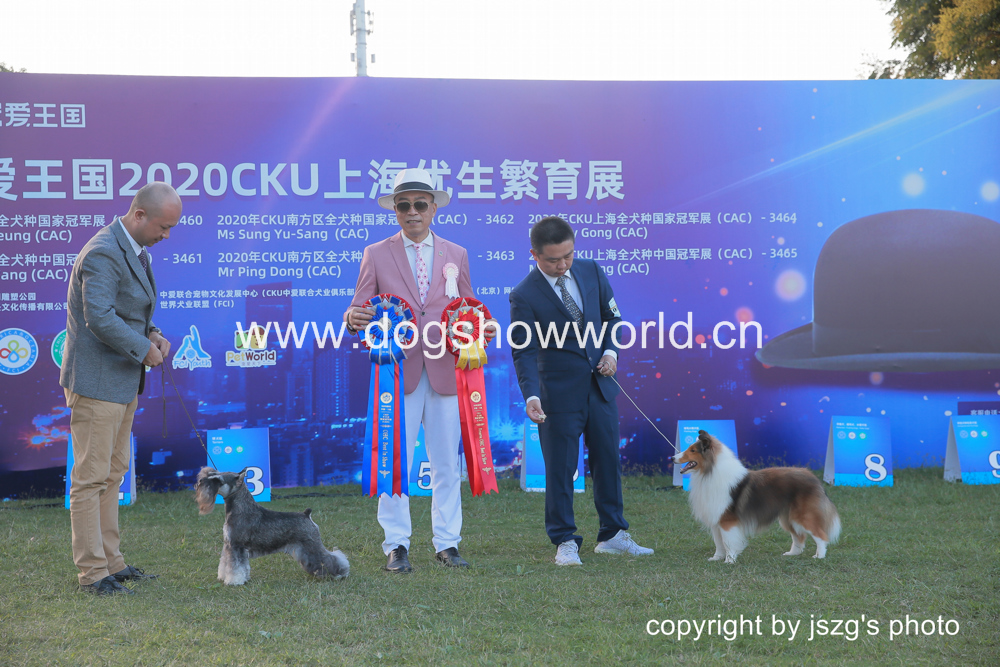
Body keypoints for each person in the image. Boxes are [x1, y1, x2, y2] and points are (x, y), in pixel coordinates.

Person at [345, 167, 491, 573]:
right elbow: (359, 305)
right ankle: (396, 545)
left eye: (420, 205)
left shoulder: (456, 254)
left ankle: (448, 544)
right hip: (396, 373)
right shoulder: (376, 253)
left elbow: (468, 306)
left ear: (433, 208)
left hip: (446, 370)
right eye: (404, 205)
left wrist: (482, 327)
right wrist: (352, 317)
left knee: (446, 462)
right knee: (393, 461)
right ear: (394, 209)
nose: (412, 212)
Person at [509, 216, 653, 565]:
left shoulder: (591, 271)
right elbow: (523, 350)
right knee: (561, 469)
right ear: (534, 255)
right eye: (553, 260)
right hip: (556, 396)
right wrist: (531, 396)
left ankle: (613, 534)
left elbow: (612, 318)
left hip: (600, 388)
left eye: (568, 256)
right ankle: (564, 540)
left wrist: (610, 352)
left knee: (608, 460)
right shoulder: (523, 294)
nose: (562, 265)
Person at [60, 182, 181, 594]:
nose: (167, 236)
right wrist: (142, 347)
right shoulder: (103, 251)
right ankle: (93, 573)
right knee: (91, 479)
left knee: (112, 475)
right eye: (163, 227)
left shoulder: (133, 249)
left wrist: (153, 333)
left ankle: (112, 562)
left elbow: (130, 312)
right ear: (139, 214)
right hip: (97, 383)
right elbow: (99, 316)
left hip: (121, 381)